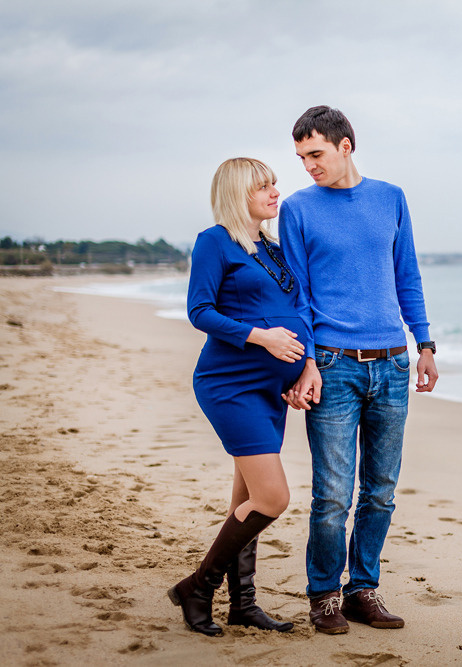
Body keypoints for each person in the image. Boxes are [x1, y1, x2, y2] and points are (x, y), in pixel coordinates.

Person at [279, 106, 438, 635]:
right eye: (302, 157)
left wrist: (426, 344)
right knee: (332, 494)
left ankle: (362, 590)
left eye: (316, 154)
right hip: (331, 366)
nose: (308, 166)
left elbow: (406, 274)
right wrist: (305, 362)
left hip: (393, 363)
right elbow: (297, 295)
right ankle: (323, 595)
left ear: (346, 145)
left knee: (381, 490)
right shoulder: (298, 209)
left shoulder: (390, 198)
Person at [168, 157, 313, 636]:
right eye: (264, 187)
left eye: (274, 184)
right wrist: (263, 338)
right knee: (272, 498)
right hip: (230, 384)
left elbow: (298, 311)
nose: (276, 192)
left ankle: (243, 604)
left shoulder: (272, 248)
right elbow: (200, 311)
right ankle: (198, 586)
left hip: (272, 387)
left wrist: (303, 363)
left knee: (246, 499)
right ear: (237, 194)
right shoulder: (215, 242)